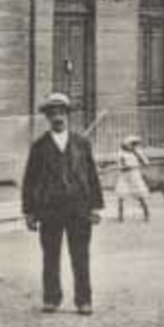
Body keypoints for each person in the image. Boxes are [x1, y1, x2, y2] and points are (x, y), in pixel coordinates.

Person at [21, 92, 104, 315]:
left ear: (68, 115)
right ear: (47, 118)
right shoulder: (39, 147)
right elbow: (29, 180)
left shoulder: (82, 143)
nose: (58, 117)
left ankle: (83, 300)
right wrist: (29, 212)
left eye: (61, 112)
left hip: (79, 208)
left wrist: (95, 207)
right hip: (50, 210)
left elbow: (92, 175)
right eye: (53, 113)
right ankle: (51, 298)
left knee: (80, 256)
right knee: (50, 256)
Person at [114, 135, 152, 223]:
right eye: (132, 144)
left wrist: (138, 155)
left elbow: (146, 163)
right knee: (121, 196)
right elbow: (122, 167)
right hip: (124, 176)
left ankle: (147, 214)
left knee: (140, 196)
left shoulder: (137, 152)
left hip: (135, 176)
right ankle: (120, 217)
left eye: (135, 144)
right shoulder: (121, 154)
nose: (133, 146)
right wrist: (128, 166)